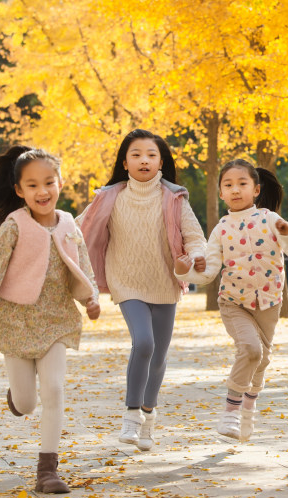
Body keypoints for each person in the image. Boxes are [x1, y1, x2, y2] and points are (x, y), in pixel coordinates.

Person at [0, 146, 100, 493]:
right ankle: (17, 396)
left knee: (54, 389)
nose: (43, 191)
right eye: (33, 185)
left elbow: (81, 264)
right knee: (26, 403)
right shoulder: (15, 224)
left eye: (49, 182)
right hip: (14, 321)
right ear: (20, 190)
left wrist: (90, 299)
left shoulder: (69, 223)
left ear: (60, 182)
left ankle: (47, 471)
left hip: (56, 319)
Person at [77, 129, 206, 451]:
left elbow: (194, 236)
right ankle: (131, 414)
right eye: (136, 154)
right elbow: (77, 229)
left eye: (151, 154)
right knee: (144, 343)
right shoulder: (109, 196)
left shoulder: (173, 197)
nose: (144, 160)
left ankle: (149, 415)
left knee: (159, 357)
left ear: (161, 160)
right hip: (126, 281)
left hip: (164, 281)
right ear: (125, 162)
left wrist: (199, 257)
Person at [174, 159, 288, 441]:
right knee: (250, 349)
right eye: (228, 185)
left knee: (262, 359)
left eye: (242, 184)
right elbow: (209, 273)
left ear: (256, 190)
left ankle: (247, 412)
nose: (235, 190)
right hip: (233, 301)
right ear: (220, 193)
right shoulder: (220, 229)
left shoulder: (270, 219)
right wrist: (183, 272)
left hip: (269, 302)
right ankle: (230, 412)